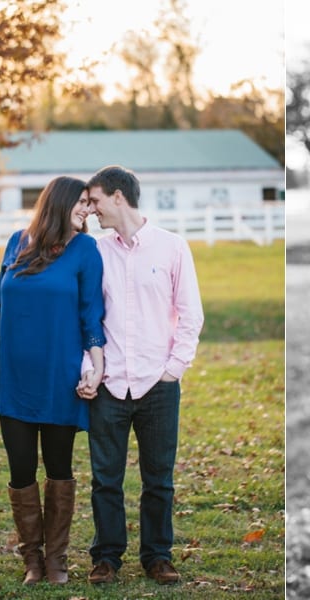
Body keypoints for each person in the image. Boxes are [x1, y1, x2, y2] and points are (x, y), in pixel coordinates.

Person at [75, 165, 204, 586]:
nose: (90, 209)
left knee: (159, 479)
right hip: (109, 384)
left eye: (94, 200)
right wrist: (89, 370)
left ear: (117, 197)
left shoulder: (172, 247)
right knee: (105, 479)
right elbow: (84, 316)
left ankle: (157, 556)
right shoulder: (94, 250)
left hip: (157, 385)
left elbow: (190, 314)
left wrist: (174, 370)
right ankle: (106, 557)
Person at [0, 176, 106, 585]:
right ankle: (31, 561)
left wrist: (97, 363)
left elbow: (91, 315)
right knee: (21, 471)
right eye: (83, 202)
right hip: (14, 376)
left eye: (90, 203)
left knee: (59, 469)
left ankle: (56, 561)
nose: (88, 209)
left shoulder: (85, 249)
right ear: (61, 201)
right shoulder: (18, 241)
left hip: (59, 378)